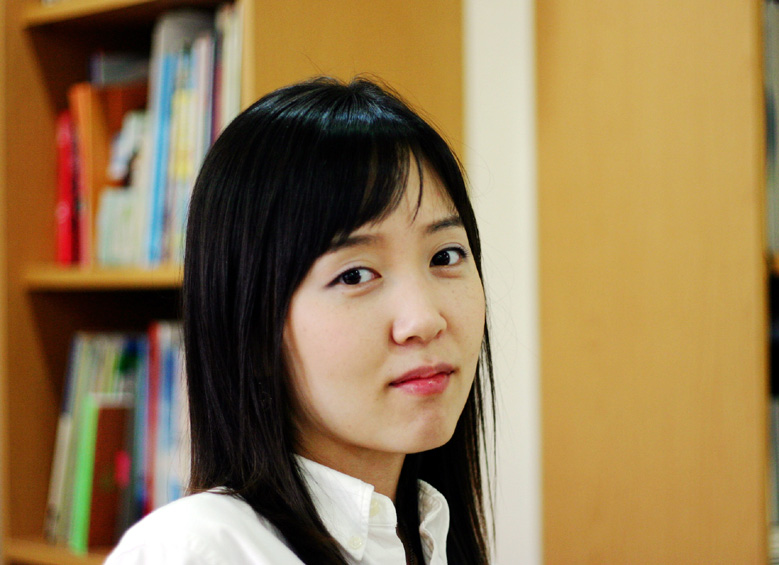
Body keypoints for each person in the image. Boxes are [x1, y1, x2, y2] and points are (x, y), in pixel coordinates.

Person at [105, 77, 494, 564]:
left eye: (445, 256)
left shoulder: (427, 535)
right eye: (355, 275)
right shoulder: (197, 550)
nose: (424, 319)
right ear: (253, 333)